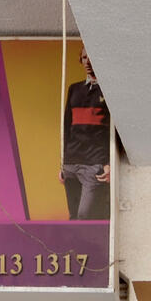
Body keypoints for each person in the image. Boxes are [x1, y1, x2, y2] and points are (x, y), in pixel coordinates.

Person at [59, 49, 110, 220]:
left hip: (94, 164)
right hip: (71, 163)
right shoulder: (74, 89)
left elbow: (115, 133)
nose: (88, 62)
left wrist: (109, 163)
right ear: (80, 60)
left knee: (85, 215)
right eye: (84, 57)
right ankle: (76, 247)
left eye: (92, 57)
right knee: (73, 216)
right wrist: (62, 162)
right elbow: (66, 128)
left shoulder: (109, 91)